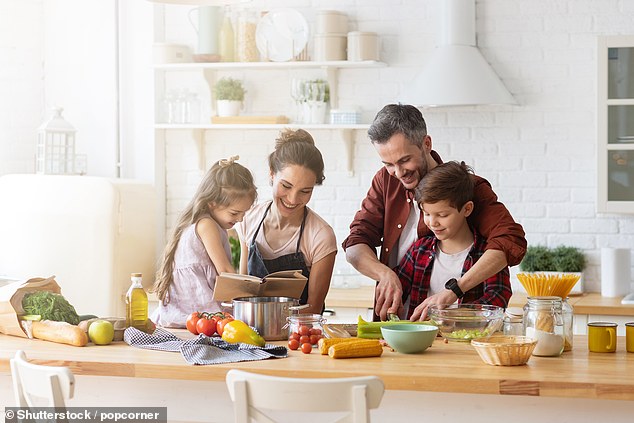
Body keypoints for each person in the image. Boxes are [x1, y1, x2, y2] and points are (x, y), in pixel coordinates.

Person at [342, 104, 526, 321]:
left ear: (426, 144)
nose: (398, 173)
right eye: (388, 164)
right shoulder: (385, 180)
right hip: (400, 323)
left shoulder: (466, 187)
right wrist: (384, 274)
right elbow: (355, 243)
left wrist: (454, 292)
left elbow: (510, 240)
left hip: (457, 330)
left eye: (404, 160)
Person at [236, 129, 337, 314]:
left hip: (299, 336)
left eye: (305, 191)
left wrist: (273, 324)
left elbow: (314, 309)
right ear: (272, 174)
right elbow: (243, 294)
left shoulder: (321, 235)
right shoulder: (248, 219)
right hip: (250, 334)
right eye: (286, 186)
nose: (292, 199)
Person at [396, 161, 512, 321]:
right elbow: (398, 290)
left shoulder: (487, 255)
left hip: (466, 342)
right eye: (426, 214)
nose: (432, 222)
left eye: (442, 215)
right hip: (421, 342)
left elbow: (498, 298)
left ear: (467, 209)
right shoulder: (419, 251)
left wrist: (451, 316)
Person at [151, 156, 257, 328]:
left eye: (244, 213)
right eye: (235, 213)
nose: (240, 218)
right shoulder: (207, 225)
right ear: (212, 203)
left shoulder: (206, 223)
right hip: (196, 314)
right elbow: (224, 270)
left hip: (187, 314)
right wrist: (251, 295)